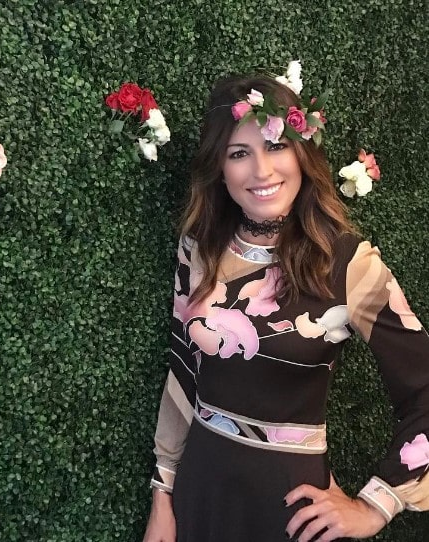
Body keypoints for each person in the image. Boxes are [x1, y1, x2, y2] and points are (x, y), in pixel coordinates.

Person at [142, 70, 429, 542]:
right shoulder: (199, 248)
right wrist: (163, 494)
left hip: (290, 509)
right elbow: (183, 369)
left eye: (275, 146)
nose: (262, 171)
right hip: (199, 493)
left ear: (302, 153)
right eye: (239, 153)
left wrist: (377, 504)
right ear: (220, 168)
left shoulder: (348, 263)